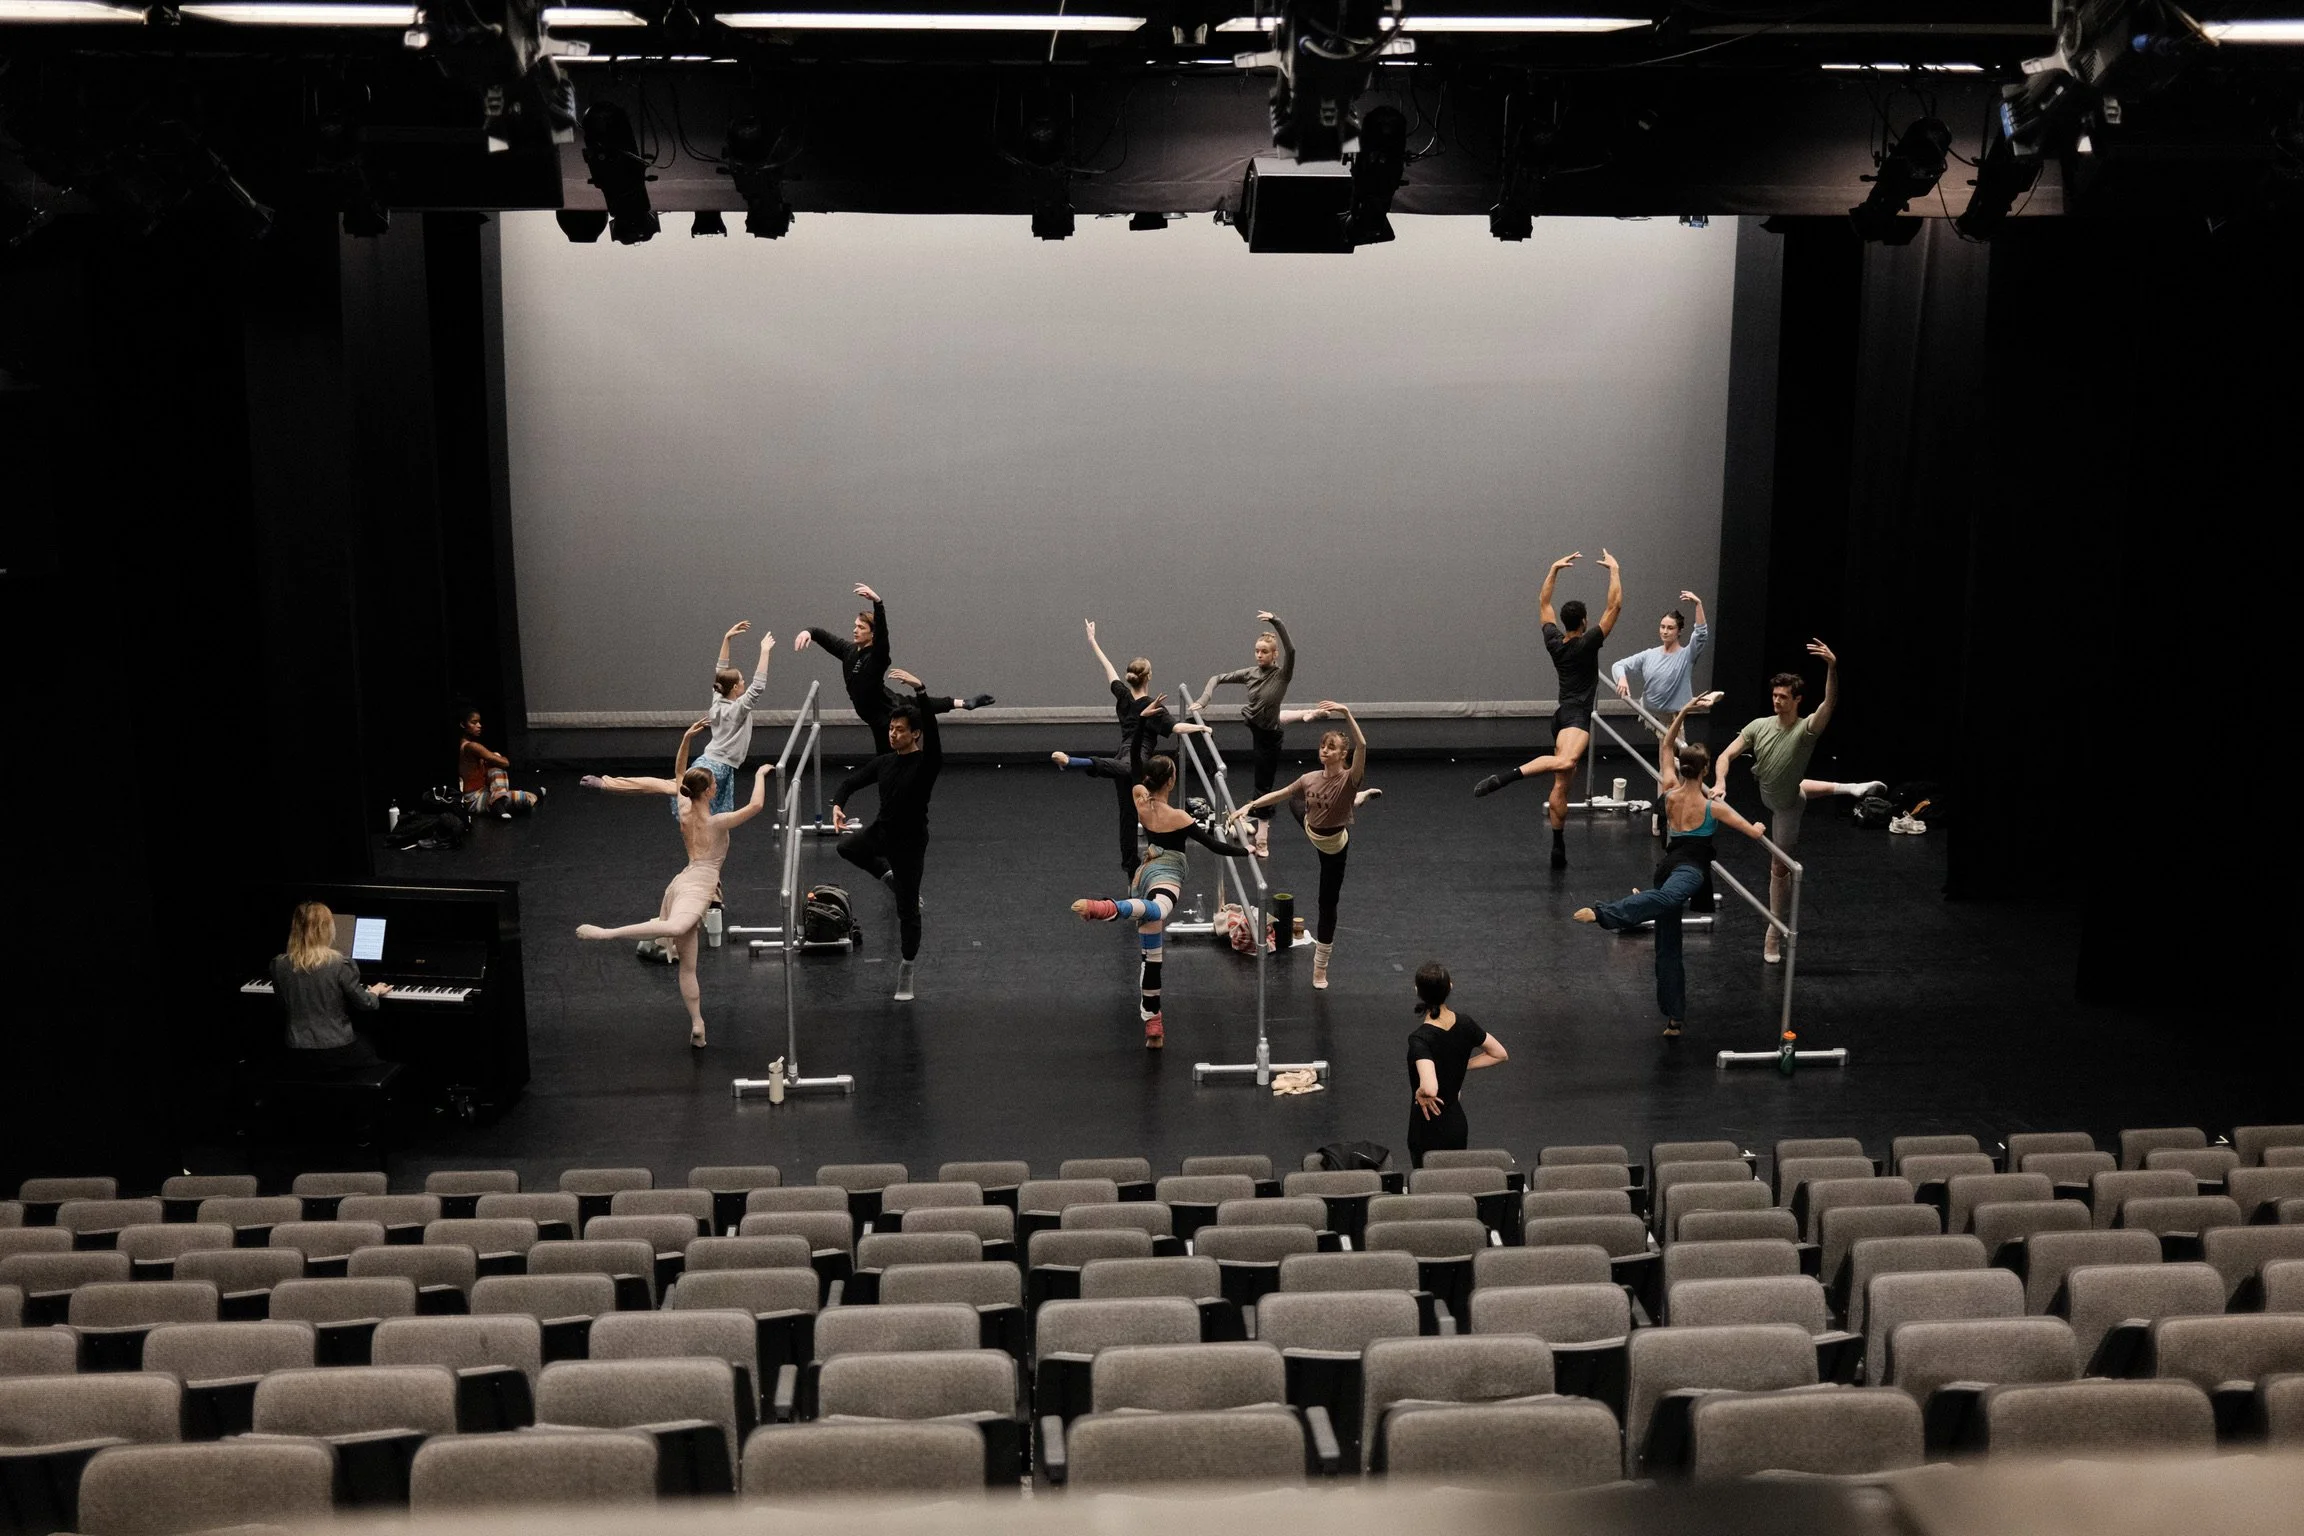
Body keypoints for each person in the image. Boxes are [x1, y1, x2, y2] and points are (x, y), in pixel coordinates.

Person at [1573, 692, 1770, 1036]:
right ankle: (1606, 913)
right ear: (1705, 770)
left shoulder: (1668, 789)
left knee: (1668, 941)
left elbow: (1666, 745)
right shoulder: (1714, 806)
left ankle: (1674, 1019)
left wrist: (1683, 712)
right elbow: (1752, 832)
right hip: (1688, 871)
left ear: (1683, 768)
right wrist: (1761, 827)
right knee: (1666, 916)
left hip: (1667, 869)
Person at [576, 721, 773, 1046]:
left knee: (688, 965)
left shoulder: (684, 807)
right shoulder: (717, 821)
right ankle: (609, 933)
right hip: (696, 888)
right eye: (713, 785)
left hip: (682, 881)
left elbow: (663, 780)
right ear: (710, 791)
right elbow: (756, 806)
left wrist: (685, 739)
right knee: (677, 926)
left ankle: (698, 1026)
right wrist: (761, 774)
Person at [1708, 640, 1884, 963]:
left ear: (1797, 700)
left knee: (1780, 866)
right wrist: (1720, 781)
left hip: (1785, 806)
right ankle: (1853, 788)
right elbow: (1726, 754)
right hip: (1782, 789)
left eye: (1783, 697)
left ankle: (1773, 930)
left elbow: (1829, 704)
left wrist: (1832, 667)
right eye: (1774, 695)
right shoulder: (1759, 726)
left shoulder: (1805, 731)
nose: (1776, 701)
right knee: (1798, 786)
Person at [1069, 744, 1252, 1050]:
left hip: (1145, 873)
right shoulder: (1178, 816)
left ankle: (1154, 1023)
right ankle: (1110, 907)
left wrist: (1140, 723)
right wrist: (1246, 850)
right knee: (1158, 909)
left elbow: (1136, 765)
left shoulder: (1140, 798)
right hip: (1167, 873)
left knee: (1151, 957)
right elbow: (1214, 846)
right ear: (1170, 781)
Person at [1472, 549, 1623, 869]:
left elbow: (1543, 605)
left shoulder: (1554, 642)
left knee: (1561, 783)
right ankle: (1506, 778)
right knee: (1566, 761)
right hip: (1575, 718)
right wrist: (1614, 570)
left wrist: (1553, 570)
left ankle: (1558, 846)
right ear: (1584, 622)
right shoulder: (1588, 642)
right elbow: (1614, 606)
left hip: (1563, 717)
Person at [1227, 702, 1366, 990]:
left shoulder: (1347, 777)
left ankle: (1320, 967)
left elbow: (1363, 745)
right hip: (1310, 825)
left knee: (1327, 903)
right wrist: (1250, 805)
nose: (1324, 750)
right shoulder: (1309, 778)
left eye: (1331, 747)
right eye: (1322, 746)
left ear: (1343, 755)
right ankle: (1353, 802)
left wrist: (1346, 712)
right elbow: (1279, 794)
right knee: (1294, 800)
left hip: (1333, 844)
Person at [1053, 620, 1207, 877]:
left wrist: (1093, 640)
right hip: (1139, 765)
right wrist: (1202, 729)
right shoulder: (1153, 706)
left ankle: (1131, 870)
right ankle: (1077, 762)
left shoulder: (1123, 696)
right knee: (1145, 806)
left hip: (1122, 758)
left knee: (1128, 816)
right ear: (1149, 677)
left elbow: (1108, 668)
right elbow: (1178, 728)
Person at [831, 668, 943, 1002]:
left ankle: (906, 967)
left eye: (899, 730)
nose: (893, 734)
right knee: (847, 847)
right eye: (891, 729)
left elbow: (935, 734)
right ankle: (887, 876)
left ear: (915, 735)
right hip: (882, 832)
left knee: (907, 912)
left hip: (910, 845)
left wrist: (921, 690)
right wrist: (838, 803)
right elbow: (851, 782)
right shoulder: (885, 763)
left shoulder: (926, 764)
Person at [1192, 610, 1329, 858]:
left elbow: (1293, 650)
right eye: (1257, 651)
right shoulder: (1250, 673)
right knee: (1272, 715)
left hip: (1269, 737)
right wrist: (1204, 699)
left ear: (1274, 654)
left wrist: (1277, 622)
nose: (1259, 655)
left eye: (1264, 651)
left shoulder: (1282, 675)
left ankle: (1263, 839)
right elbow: (1217, 678)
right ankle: (1304, 714)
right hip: (1258, 724)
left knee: (1263, 786)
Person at [796, 584, 992, 754]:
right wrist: (808, 632)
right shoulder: (849, 651)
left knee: (912, 719)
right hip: (876, 713)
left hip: (886, 713)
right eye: (855, 626)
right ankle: (964, 703)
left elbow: (883, 635)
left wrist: (878, 603)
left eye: (861, 628)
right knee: (915, 704)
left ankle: (964, 703)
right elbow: (823, 636)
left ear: (872, 635)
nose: (855, 630)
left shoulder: (877, 656)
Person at [1405, 963, 1508, 1167]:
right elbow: (1499, 1054)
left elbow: (1431, 1087)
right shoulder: (1465, 1024)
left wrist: (1421, 1093)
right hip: (1455, 1123)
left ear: (1418, 991)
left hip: (1428, 1126)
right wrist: (1460, 1064)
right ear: (1450, 987)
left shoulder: (1420, 1039)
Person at [270, 901, 390, 1067]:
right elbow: (366, 1004)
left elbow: (282, 1005)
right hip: (336, 1050)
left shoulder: (278, 964)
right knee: (377, 1046)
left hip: (295, 1049)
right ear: (325, 928)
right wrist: (375, 991)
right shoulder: (340, 963)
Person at [691, 621, 775, 813]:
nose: (745, 681)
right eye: (742, 680)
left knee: (710, 812)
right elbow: (758, 687)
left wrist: (726, 639)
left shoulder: (717, 699)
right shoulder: (738, 709)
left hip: (712, 761)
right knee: (701, 809)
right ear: (736, 688)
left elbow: (720, 670)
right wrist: (764, 651)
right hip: (716, 767)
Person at [1610, 591, 1711, 720]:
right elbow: (1618, 665)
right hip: (1649, 716)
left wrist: (1698, 604)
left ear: (1679, 631)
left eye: (1670, 628)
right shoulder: (1649, 654)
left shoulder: (1686, 655)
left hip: (1673, 719)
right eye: (1662, 627)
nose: (1665, 631)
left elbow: (1701, 635)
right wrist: (1622, 678)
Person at [457, 709, 542, 819]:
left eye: (479, 722)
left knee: (522, 797)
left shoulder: (465, 745)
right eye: (474, 723)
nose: (479, 726)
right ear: (463, 725)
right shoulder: (471, 747)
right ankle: (501, 801)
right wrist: (500, 758)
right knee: (497, 760)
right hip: (475, 799)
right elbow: (505, 763)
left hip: (486, 793)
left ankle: (500, 801)